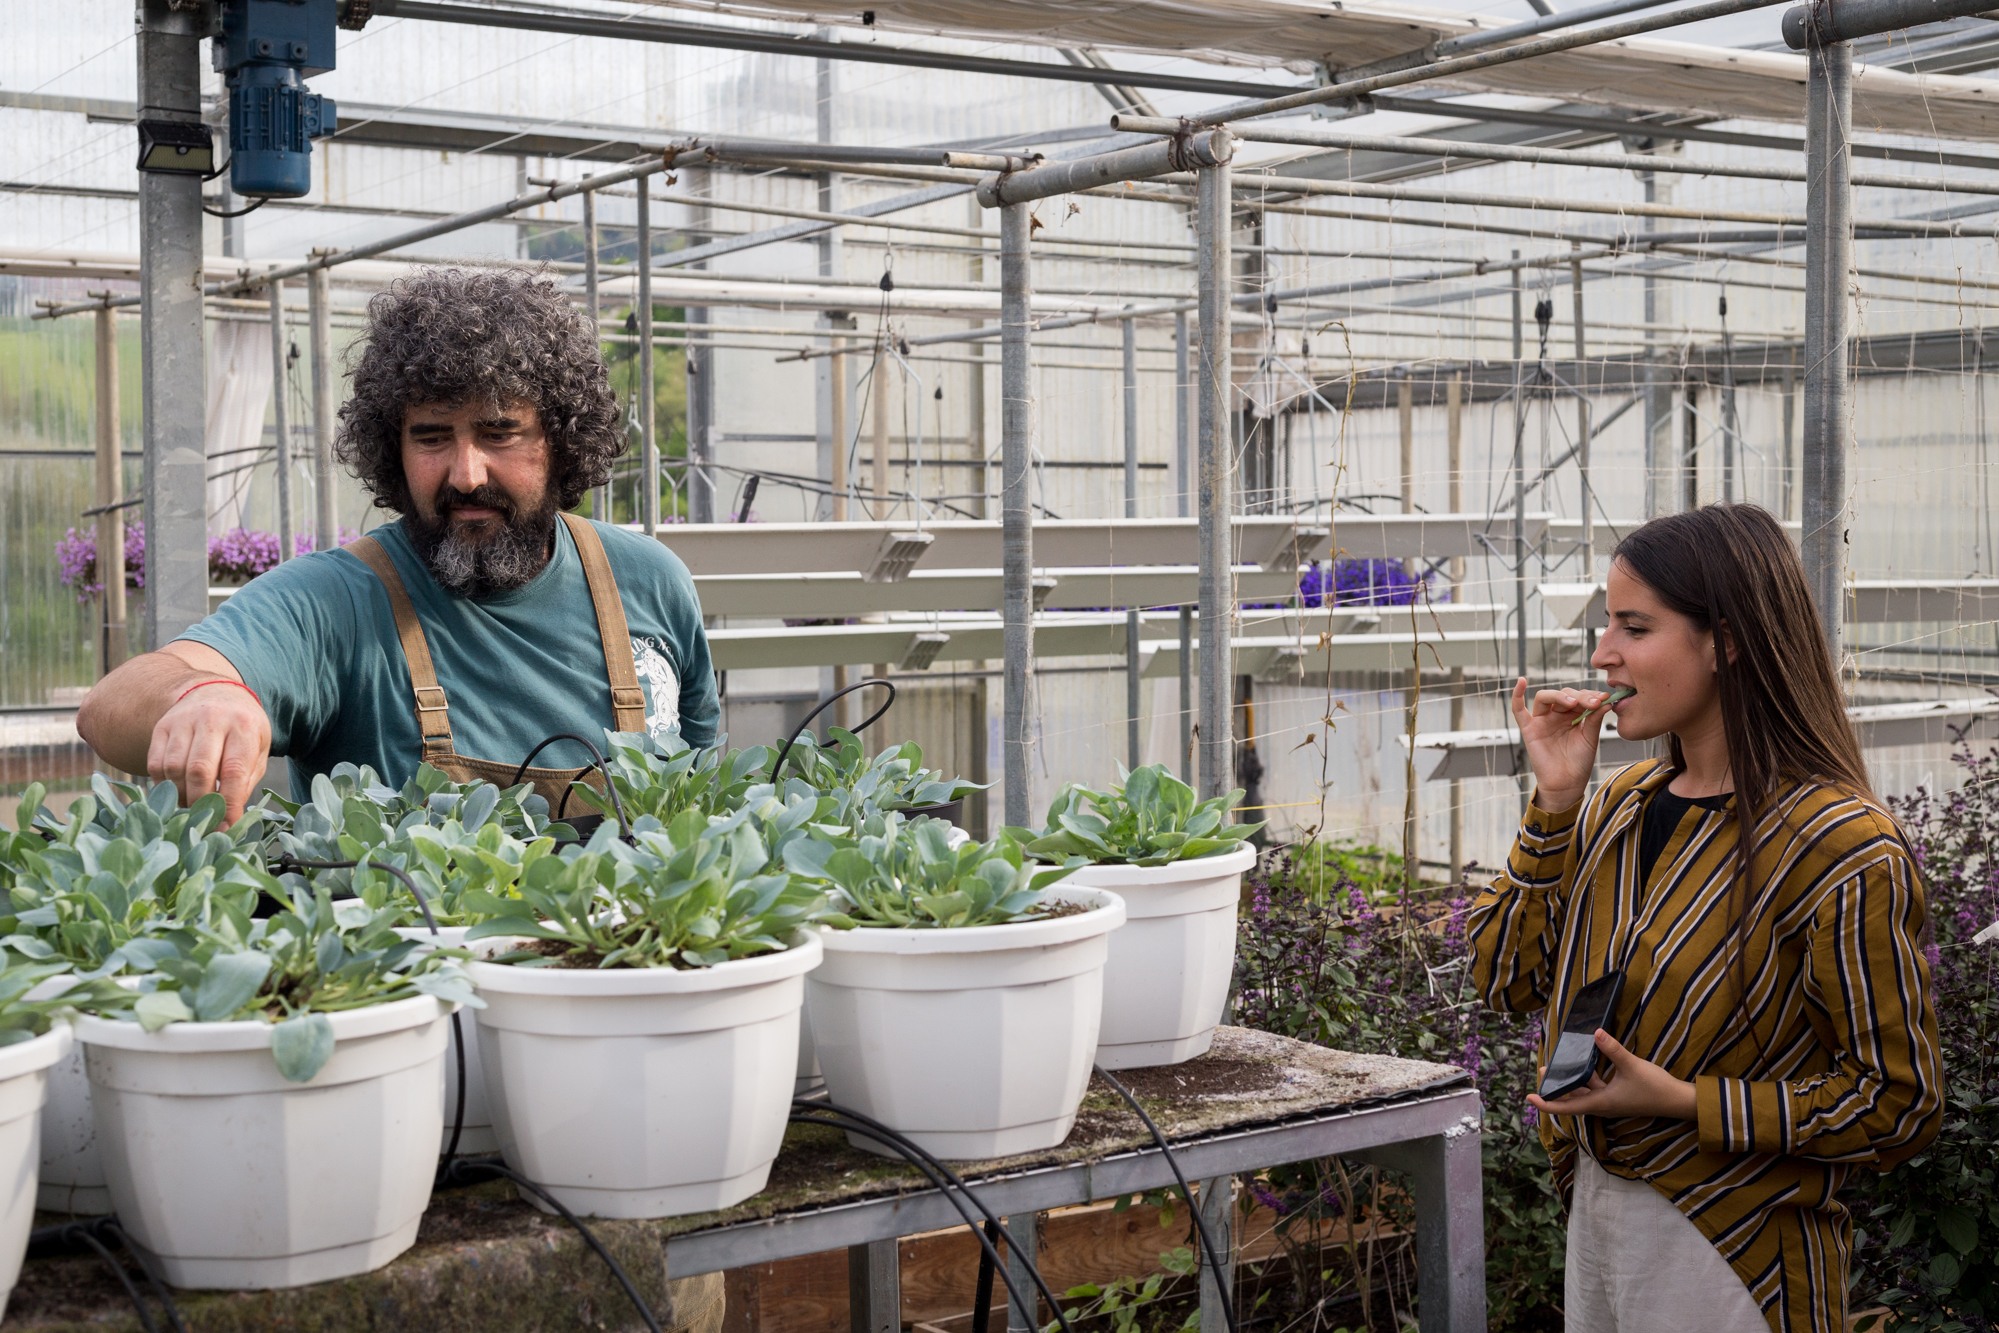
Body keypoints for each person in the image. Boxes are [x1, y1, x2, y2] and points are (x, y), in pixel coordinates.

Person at [1468, 504, 1943, 1333]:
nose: (1601, 653)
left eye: (1633, 626)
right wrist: (1555, 802)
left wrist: (1688, 1101)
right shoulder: (1617, 804)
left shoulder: (1837, 845)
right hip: (1596, 1217)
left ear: (1724, 641)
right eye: (1606, 623)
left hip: (1732, 1249)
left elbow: (1898, 1101)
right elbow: (1502, 980)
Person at [79, 266, 719, 825]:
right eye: (432, 437)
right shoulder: (337, 602)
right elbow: (110, 706)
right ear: (394, 448)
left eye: (500, 433)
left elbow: (705, 800)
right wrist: (203, 696)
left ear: (561, 440)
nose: (466, 474)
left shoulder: (649, 582)